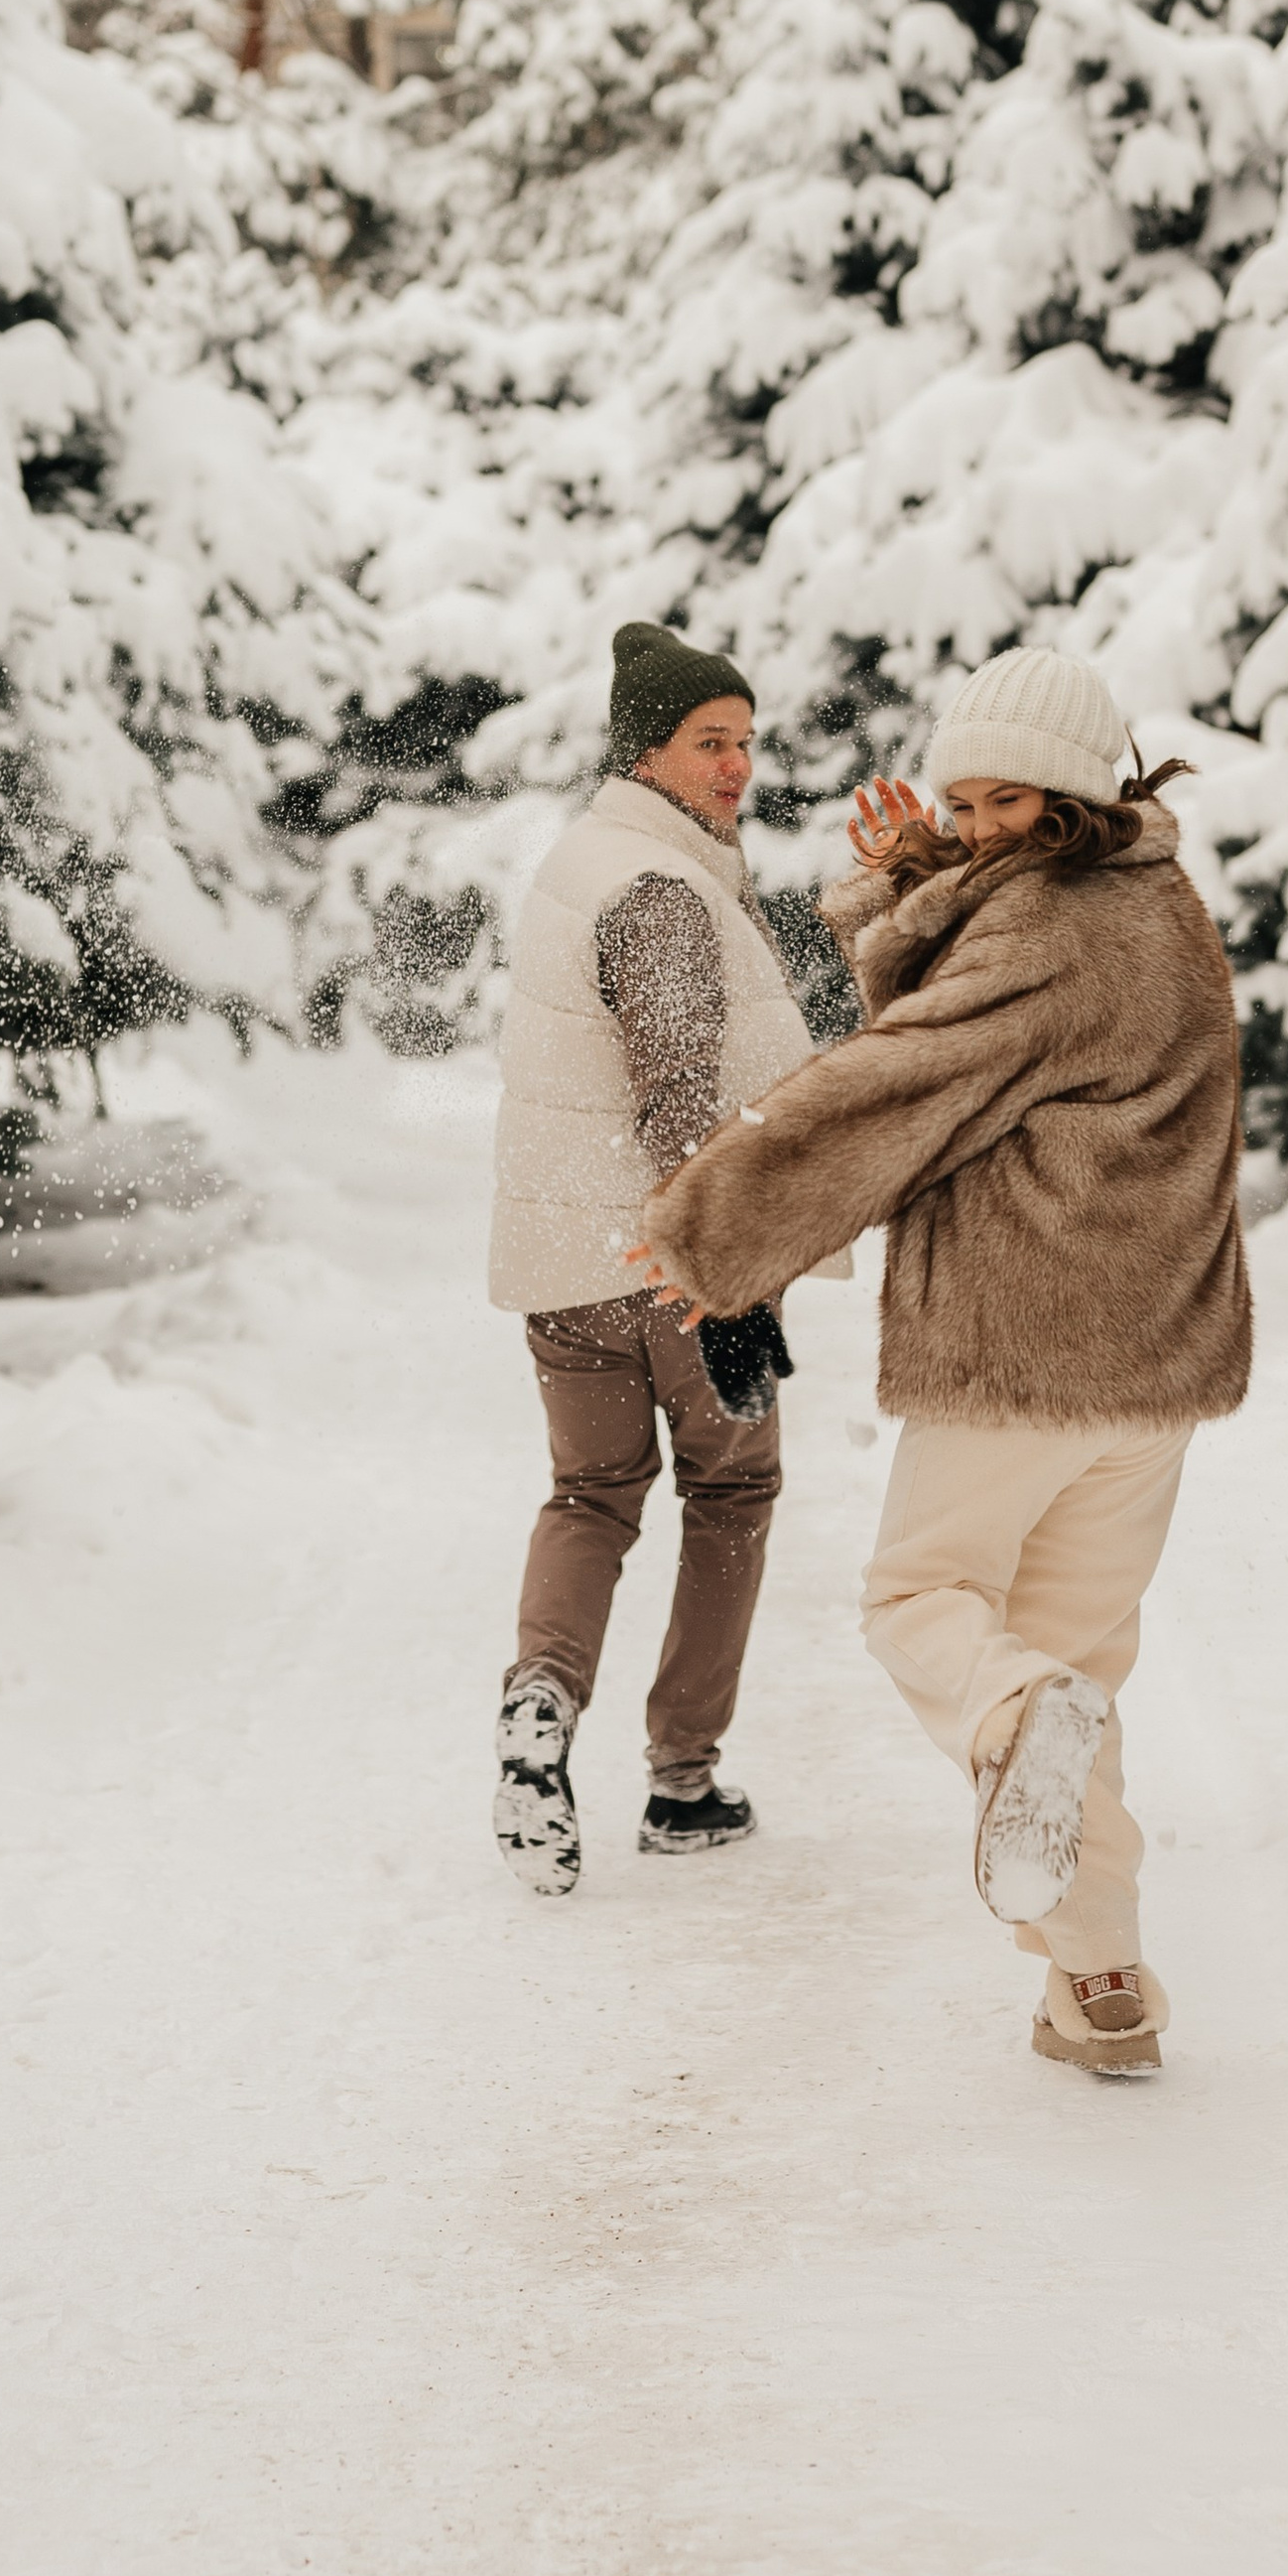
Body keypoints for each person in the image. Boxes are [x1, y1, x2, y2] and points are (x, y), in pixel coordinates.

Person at [631, 646, 1250, 2077]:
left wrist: (716, 1225)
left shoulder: (1047, 933)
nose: (972, 825)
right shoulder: (1157, 908)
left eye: (1001, 803)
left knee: (927, 1600)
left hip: (1024, 1351)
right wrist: (931, 883)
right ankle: (1099, 1986)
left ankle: (1017, 1721)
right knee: (1076, 1663)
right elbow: (1004, 1015)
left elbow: (905, 1079)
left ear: (1073, 794)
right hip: (1152, 1369)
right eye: (960, 800)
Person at [488, 620, 847, 1895]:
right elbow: (679, 1085)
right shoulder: (660, 886)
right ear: (647, 747)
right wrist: (721, 1267)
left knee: (589, 1496)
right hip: (668, 1263)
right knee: (731, 1494)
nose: (738, 764)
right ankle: (682, 1782)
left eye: (748, 740)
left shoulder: (583, 864)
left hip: (563, 1263)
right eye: (712, 740)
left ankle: (539, 1701)